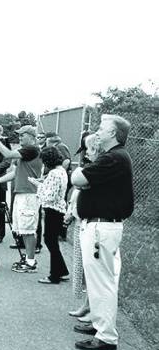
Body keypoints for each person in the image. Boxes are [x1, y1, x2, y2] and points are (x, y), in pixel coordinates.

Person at [72, 114, 133, 350]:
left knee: (102, 282)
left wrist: (83, 181)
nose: (97, 131)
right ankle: (99, 324)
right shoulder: (112, 157)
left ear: (112, 134)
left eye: (101, 128)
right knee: (100, 280)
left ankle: (106, 335)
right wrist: (84, 182)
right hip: (100, 226)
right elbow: (81, 181)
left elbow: (77, 177)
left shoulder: (113, 158)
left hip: (101, 227)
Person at [0, 125, 43, 273]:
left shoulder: (31, 150)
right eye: (19, 135)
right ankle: (28, 258)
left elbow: (7, 154)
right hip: (21, 193)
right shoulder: (25, 153)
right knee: (23, 228)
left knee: (28, 229)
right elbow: (15, 173)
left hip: (29, 194)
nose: (20, 138)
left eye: (23, 135)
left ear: (32, 137)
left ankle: (31, 262)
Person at [66, 132, 97, 318]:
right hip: (81, 220)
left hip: (92, 223)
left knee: (91, 269)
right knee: (83, 266)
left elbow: (78, 183)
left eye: (88, 150)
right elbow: (77, 191)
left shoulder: (96, 168)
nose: (84, 155)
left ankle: (92, 307)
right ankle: (87, 304)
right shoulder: (88, 166)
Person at [29, 146, 68, 284]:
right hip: (59, 209)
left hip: (53, 209)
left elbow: (49, 196)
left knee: (50, 241)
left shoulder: (53, 174)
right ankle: (62, 270)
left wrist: (39, 188)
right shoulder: (61, 171)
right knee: (52, 242)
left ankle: (55, 275)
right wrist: (42, 183)